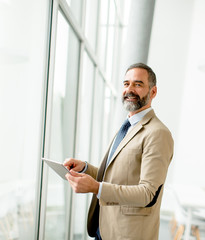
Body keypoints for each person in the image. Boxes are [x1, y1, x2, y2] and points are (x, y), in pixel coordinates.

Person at [64, 63, 174, 240]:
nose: (129, 89)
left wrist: (96, 187)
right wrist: (84, 168)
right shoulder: (127, 127)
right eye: (126, 83)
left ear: (153, 92)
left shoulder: (158, 133)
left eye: (138, 84)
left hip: (127, 234)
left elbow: (147, 194)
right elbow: (116, 177)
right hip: (104, 228)